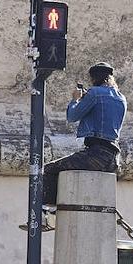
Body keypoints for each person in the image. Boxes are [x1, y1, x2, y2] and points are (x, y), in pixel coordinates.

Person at [43, 62, 127, 211]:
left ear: (94, 78)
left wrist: (76, 99)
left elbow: (72, 116)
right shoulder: (121, 98)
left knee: (49, 169)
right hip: (113, 158)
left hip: (96, 155)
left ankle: (47, 213)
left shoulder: (94, 93)